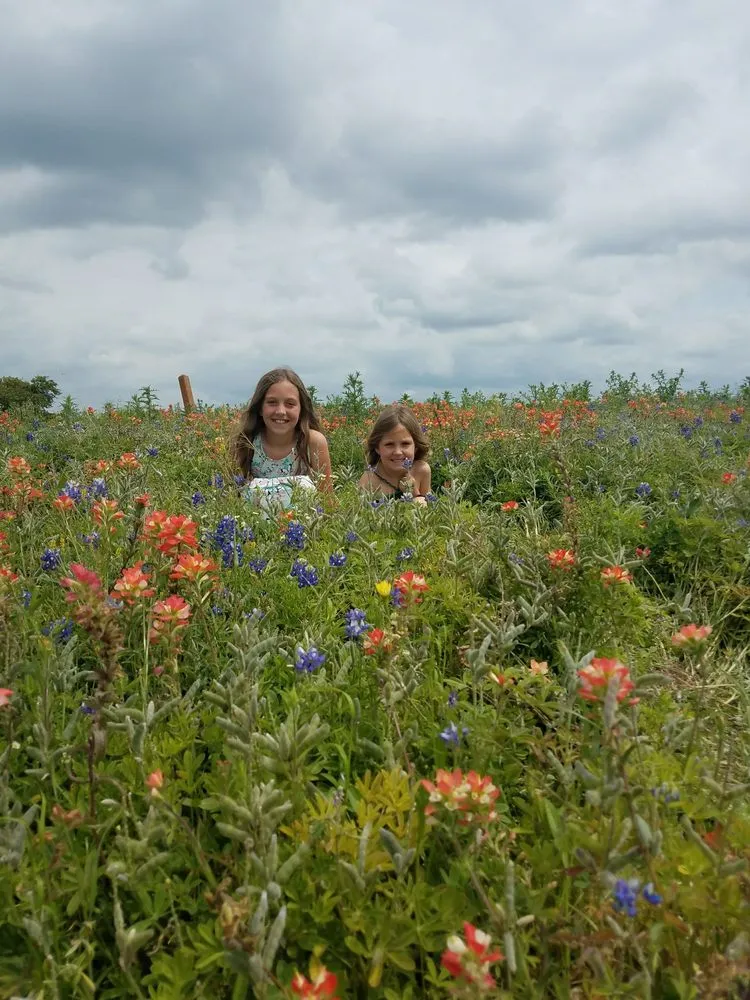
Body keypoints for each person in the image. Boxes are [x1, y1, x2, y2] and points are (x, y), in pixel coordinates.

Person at [231, 368, 331, 508]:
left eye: (290, 404)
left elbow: (328, 501)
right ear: (260, 408)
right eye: (272, 402)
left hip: (305, 525)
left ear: (301, 409)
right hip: (255, 526)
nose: (280, 411)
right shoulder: (247, 441)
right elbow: (234, 498)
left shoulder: (313, 442)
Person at [359, 404, 431, 505]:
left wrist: (414, 492)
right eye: (389, 444)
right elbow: (363, 516)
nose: (397, 452)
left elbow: (430, 511)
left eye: (405, 444)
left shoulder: (421, 470)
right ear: (377, 448)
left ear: (416, 446)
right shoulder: (369, 479)